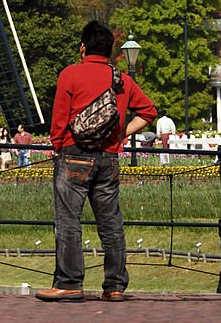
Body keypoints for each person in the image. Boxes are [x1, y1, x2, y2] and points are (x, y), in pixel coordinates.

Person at [36, 21, 156, 303]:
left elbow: (59, 121)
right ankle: (114, 286)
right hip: (108, 158)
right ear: (112, 51)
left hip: (73, 155)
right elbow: (149, 111)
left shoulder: (70, 75)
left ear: (83, 47)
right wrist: (121, 134)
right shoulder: (122, 80)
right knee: (111, 223)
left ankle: (69, 283)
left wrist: (57, 146)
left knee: (68, 220)